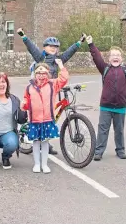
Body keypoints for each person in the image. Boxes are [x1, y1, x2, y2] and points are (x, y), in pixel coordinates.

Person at [17, 28, 84, 156]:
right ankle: (31, 133)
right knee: (39, 115)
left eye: (56, 47)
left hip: (52, 90)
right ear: (45, 48)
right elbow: (32, 48)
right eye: (50, 46)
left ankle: (46, 142)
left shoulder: (59, 59)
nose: (53, 48)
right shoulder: (41, 57)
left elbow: (69, 53)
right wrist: (24, 36)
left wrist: (79, 43)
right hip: (39, 90)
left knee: (50, 116)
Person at [87, 35, 126, 161]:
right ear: (109, 58)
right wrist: (91, 44)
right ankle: (99, 151)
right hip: (105, 106)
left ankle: (120, 150)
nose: (115, 57)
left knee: (119, 131)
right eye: (113, 55)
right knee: (103, 130)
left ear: (121, 58)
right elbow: (97, 57)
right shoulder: (104, 68)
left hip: (120, 107)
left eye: (118, 55)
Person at [21, 59, 69, 173]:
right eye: (38, 73)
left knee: (45, 142)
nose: (41, 76)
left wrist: (61, 65)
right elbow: (26, 102)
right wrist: (24, 105)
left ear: (48, 74)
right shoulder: (29, 88)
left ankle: (44, 164)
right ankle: (37, 164)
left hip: (47, 120)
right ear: (35, 74)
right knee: (36, 142)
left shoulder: (53, 84)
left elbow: (64, 79)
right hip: (35, 120)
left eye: (44, 73)